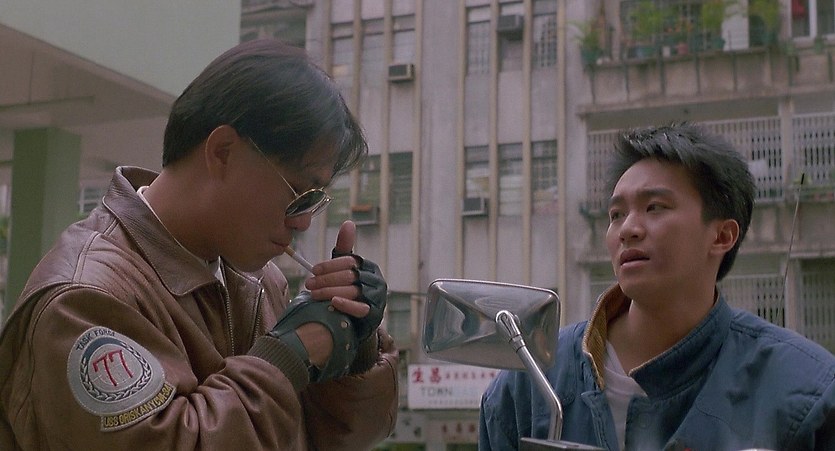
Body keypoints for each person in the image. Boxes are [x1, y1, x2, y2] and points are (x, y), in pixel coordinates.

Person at [0, 39, 398, 450]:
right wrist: (288, 356)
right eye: (298, 192)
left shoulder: (261, 282)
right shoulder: (84, 298)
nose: (302, 221)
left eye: (314, 201)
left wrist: (353, 338)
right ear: (223, 152)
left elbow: (332, 436)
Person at [479, 123, 835, 450]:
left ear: (722, 236)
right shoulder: (529, 384)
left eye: (654, 207)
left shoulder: (805, 390)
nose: (628, 229)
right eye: (616, 214)